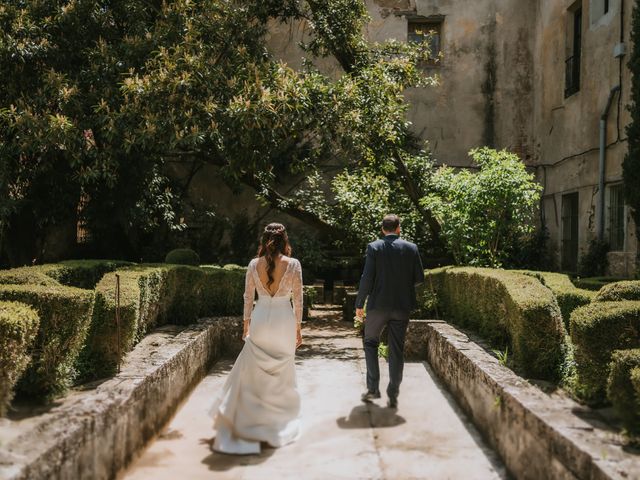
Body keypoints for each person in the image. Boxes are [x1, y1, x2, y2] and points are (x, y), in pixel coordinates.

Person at [208, 222, 303, 454]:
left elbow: (248, 297)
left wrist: (246, 324)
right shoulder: (293, 264)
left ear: (264, 240)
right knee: (281, 372)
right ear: (284, 240)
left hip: (260, 319)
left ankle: (253, 421)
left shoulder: (253, 264)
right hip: (283, 321)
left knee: (256, 371)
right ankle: (275, 421)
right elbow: (298, 299)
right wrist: (298, 328)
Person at [355, 214, 425, 409]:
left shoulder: (374, 247)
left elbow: (367, 279)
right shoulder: (411, 248)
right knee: (396, 350)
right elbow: (419, 278)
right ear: (399, 228)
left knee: (370, 342)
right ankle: (393, 395)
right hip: (402, 306)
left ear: (382, 229)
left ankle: (373, 389)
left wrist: (359, 303)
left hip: (378, 306)